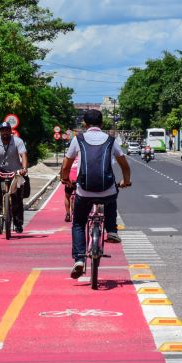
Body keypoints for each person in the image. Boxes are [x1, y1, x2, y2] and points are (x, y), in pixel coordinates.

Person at [59, 110, 131, 279]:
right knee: (112, 198)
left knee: (78, 223)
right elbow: (124, 165)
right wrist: (126, 180)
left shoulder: (78, 139)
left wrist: (65, 179)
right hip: (106, 189)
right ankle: (112, 230)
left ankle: (79, 259)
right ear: (102, 124)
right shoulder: (110, 140)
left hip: (83, 190)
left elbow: (66, 165)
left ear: (84, 124)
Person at [0, 122, 29, 233]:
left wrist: (24, 168)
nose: (5, 132)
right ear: (0, 131)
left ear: (10, 131)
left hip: (15, 171)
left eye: (7, 130)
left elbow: (23, 155)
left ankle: (18, 222)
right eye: (2, 130)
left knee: (18, 196)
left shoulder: (18, 141)